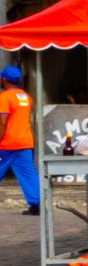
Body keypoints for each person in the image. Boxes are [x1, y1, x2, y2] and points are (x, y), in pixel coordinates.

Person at [0, 66, 40, 216]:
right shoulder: (25, 96)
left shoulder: (4, 97)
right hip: (24, 142)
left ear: (4, 79)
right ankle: (37, 205)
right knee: (29, 175)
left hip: (7, 143)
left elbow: (2, 122)